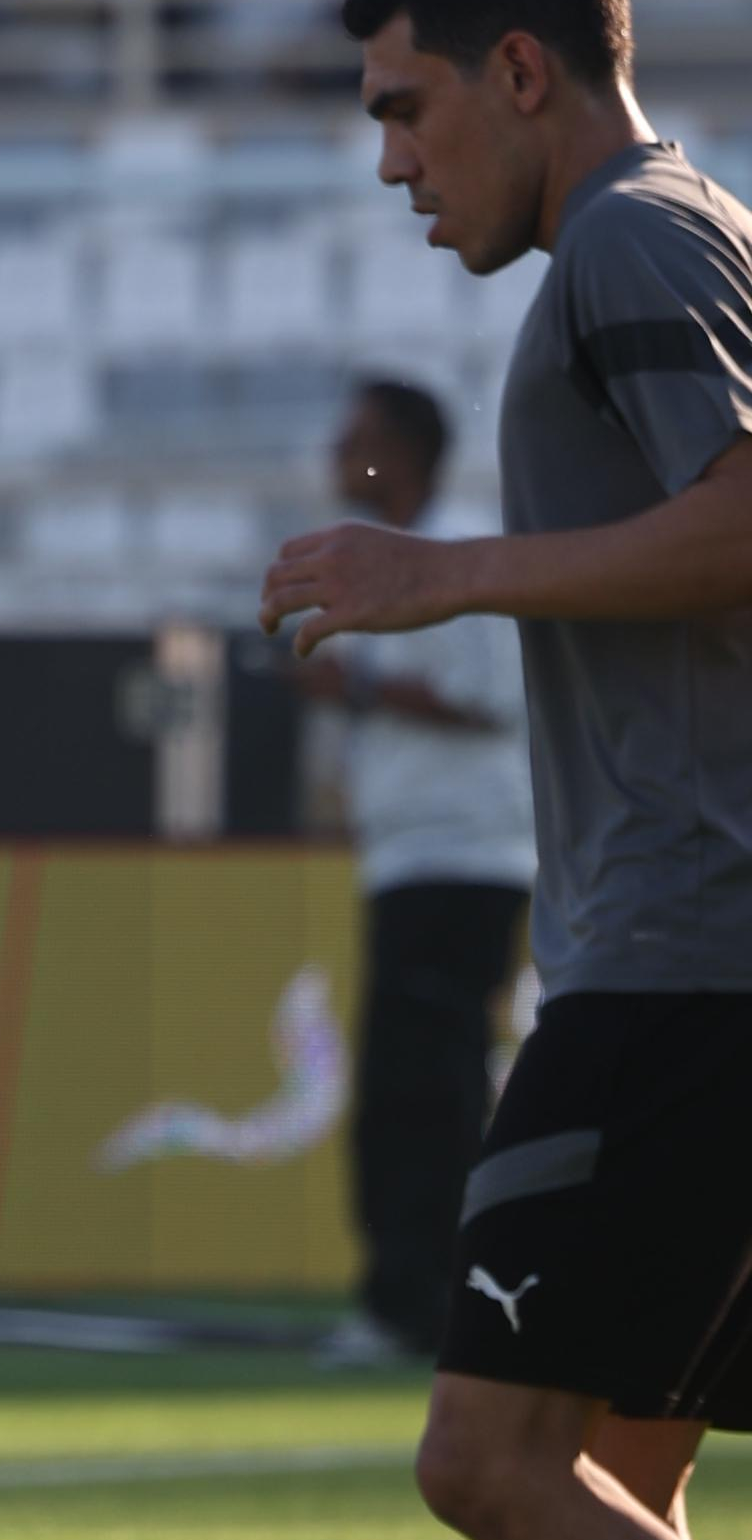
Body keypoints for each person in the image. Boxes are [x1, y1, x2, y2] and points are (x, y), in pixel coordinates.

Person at [261, 0, 752, 1540]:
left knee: (484, 1454)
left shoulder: (629, 252)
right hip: (693, 955)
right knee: (614, 1494)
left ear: (521, 69)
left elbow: (747, 521)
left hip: (681, 973)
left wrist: (429, 570)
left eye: (403, 102)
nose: (390, 158)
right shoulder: (674, 236)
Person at [294, 379, 534, 1365]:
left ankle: (422, 1305)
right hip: (413, 857)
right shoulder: (397, 562)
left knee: (426, 1089)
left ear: (404, 449)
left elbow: (490, 698)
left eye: (356, 439)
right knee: (406, 1084)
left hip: (465, 854)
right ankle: (410, 1298)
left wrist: (355, 686)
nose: (338, 457)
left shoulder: (457, 550)